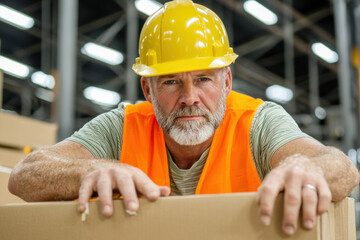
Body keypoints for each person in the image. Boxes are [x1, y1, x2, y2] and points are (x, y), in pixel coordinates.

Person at [8, 0, 359, 236]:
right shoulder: (123, 126)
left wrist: (307, 167)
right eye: (172, 82)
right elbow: (24, 176)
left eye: (203, 79)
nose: (189, 98)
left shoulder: (257, 123)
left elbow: (340, 166)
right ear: (148, 90)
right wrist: (89, 169)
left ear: (226, 83)